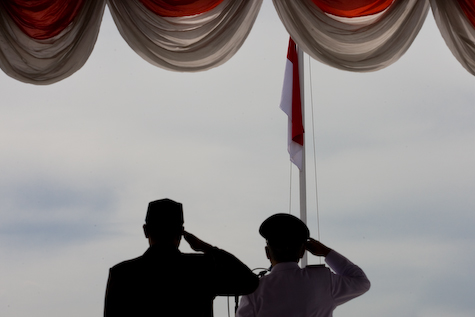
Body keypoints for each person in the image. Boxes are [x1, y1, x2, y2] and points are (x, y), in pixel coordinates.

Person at [104, 198, 259, 317]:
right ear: (181, 233)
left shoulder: (122, 274)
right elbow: (250, 282)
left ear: (146, 231)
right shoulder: (202, 267)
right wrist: (207, 248)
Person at [236, 213, 370, 317]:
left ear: (267, 253)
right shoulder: (322, 280)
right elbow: (361, 282)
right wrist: (326, 252)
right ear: (302, 251)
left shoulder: (253, 290)